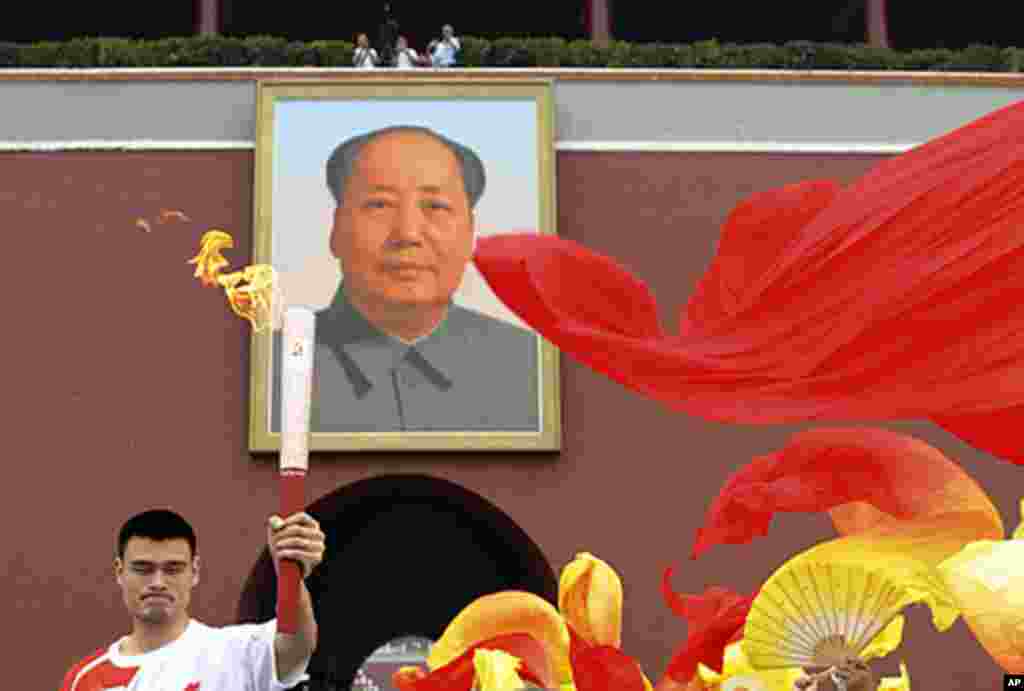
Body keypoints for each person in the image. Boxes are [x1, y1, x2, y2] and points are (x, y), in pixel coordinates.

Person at [271, 125, 539, 433]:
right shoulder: (271, 367)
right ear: (336, 229)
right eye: (380, 205)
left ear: (470, 235)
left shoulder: (532, 365)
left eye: (436, 207)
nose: (408, 233)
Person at [59, 509, 325, 691]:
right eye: (143, 569)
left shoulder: (236, 653)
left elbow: (297, 643)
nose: (158, 582)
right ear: (120, 571)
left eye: (173, 569)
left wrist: (289, 573)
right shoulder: (85, 679)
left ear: (194, 571)